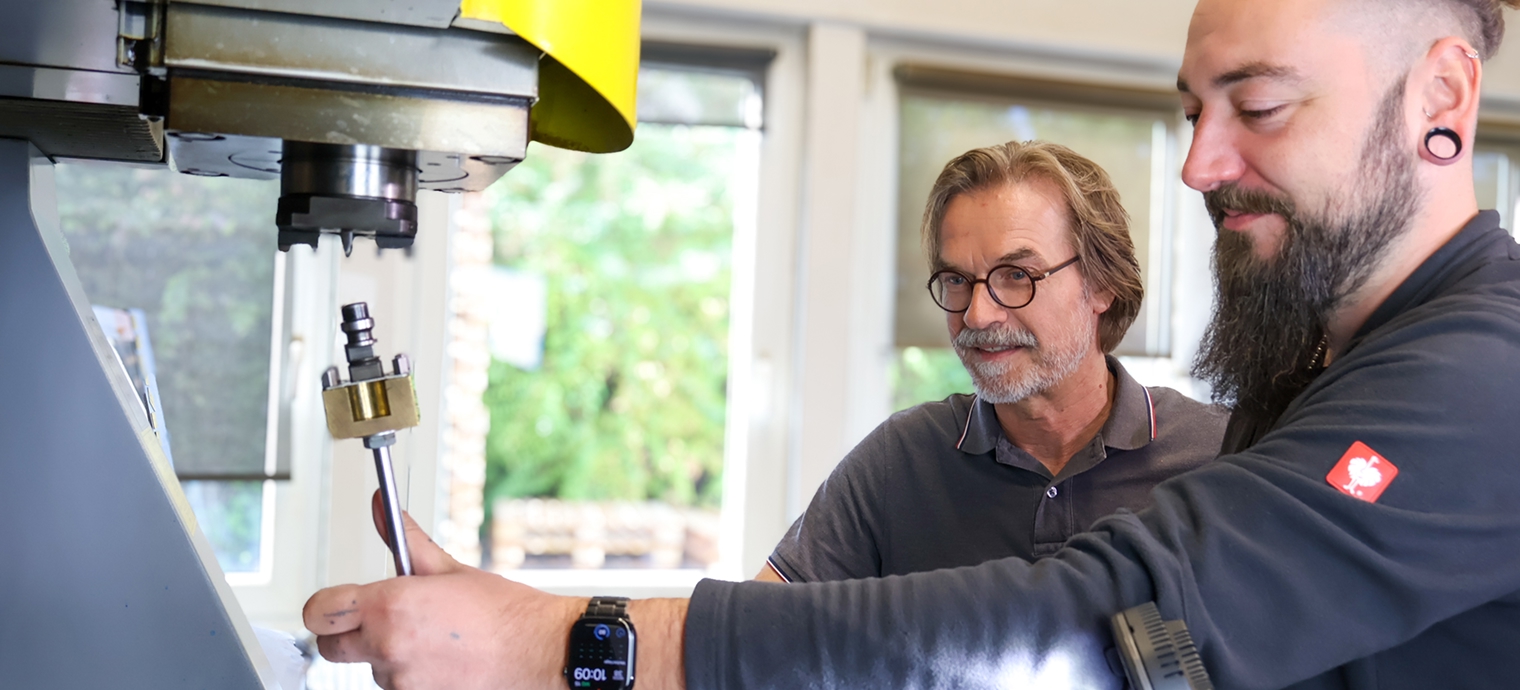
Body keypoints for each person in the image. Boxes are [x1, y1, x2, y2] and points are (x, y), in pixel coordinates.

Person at [303, 0, 1520, 687]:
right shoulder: (1310, 379)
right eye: (1192, 116)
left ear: (1441, 102)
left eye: (1255, 107)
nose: (1199, 164)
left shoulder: (1480, 379)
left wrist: (563, 644)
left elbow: (1113, 632)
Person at [757, 141, 1225, 584]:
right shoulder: (898, 464)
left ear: (1102, 285)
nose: (977, 314)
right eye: (958, 279)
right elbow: (758, 630)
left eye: (1017, 275)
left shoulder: (1220, 456)